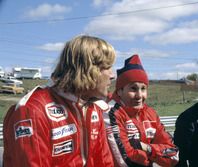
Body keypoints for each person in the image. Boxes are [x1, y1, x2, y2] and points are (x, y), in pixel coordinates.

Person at [3, 35, 116, 167]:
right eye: (107, 67)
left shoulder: (93, 107)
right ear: (89, 69)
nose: (112, 75)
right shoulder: (32, 110)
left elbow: (104, 162)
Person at [104, 54, 179, 167]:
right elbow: (126, 160)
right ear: (120, 91)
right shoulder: (111, 111)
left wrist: (147, 147)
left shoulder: (151, 114)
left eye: (143, 88)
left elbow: (174, 155)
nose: (139, 95)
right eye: (133, 88)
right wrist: (155, 155)